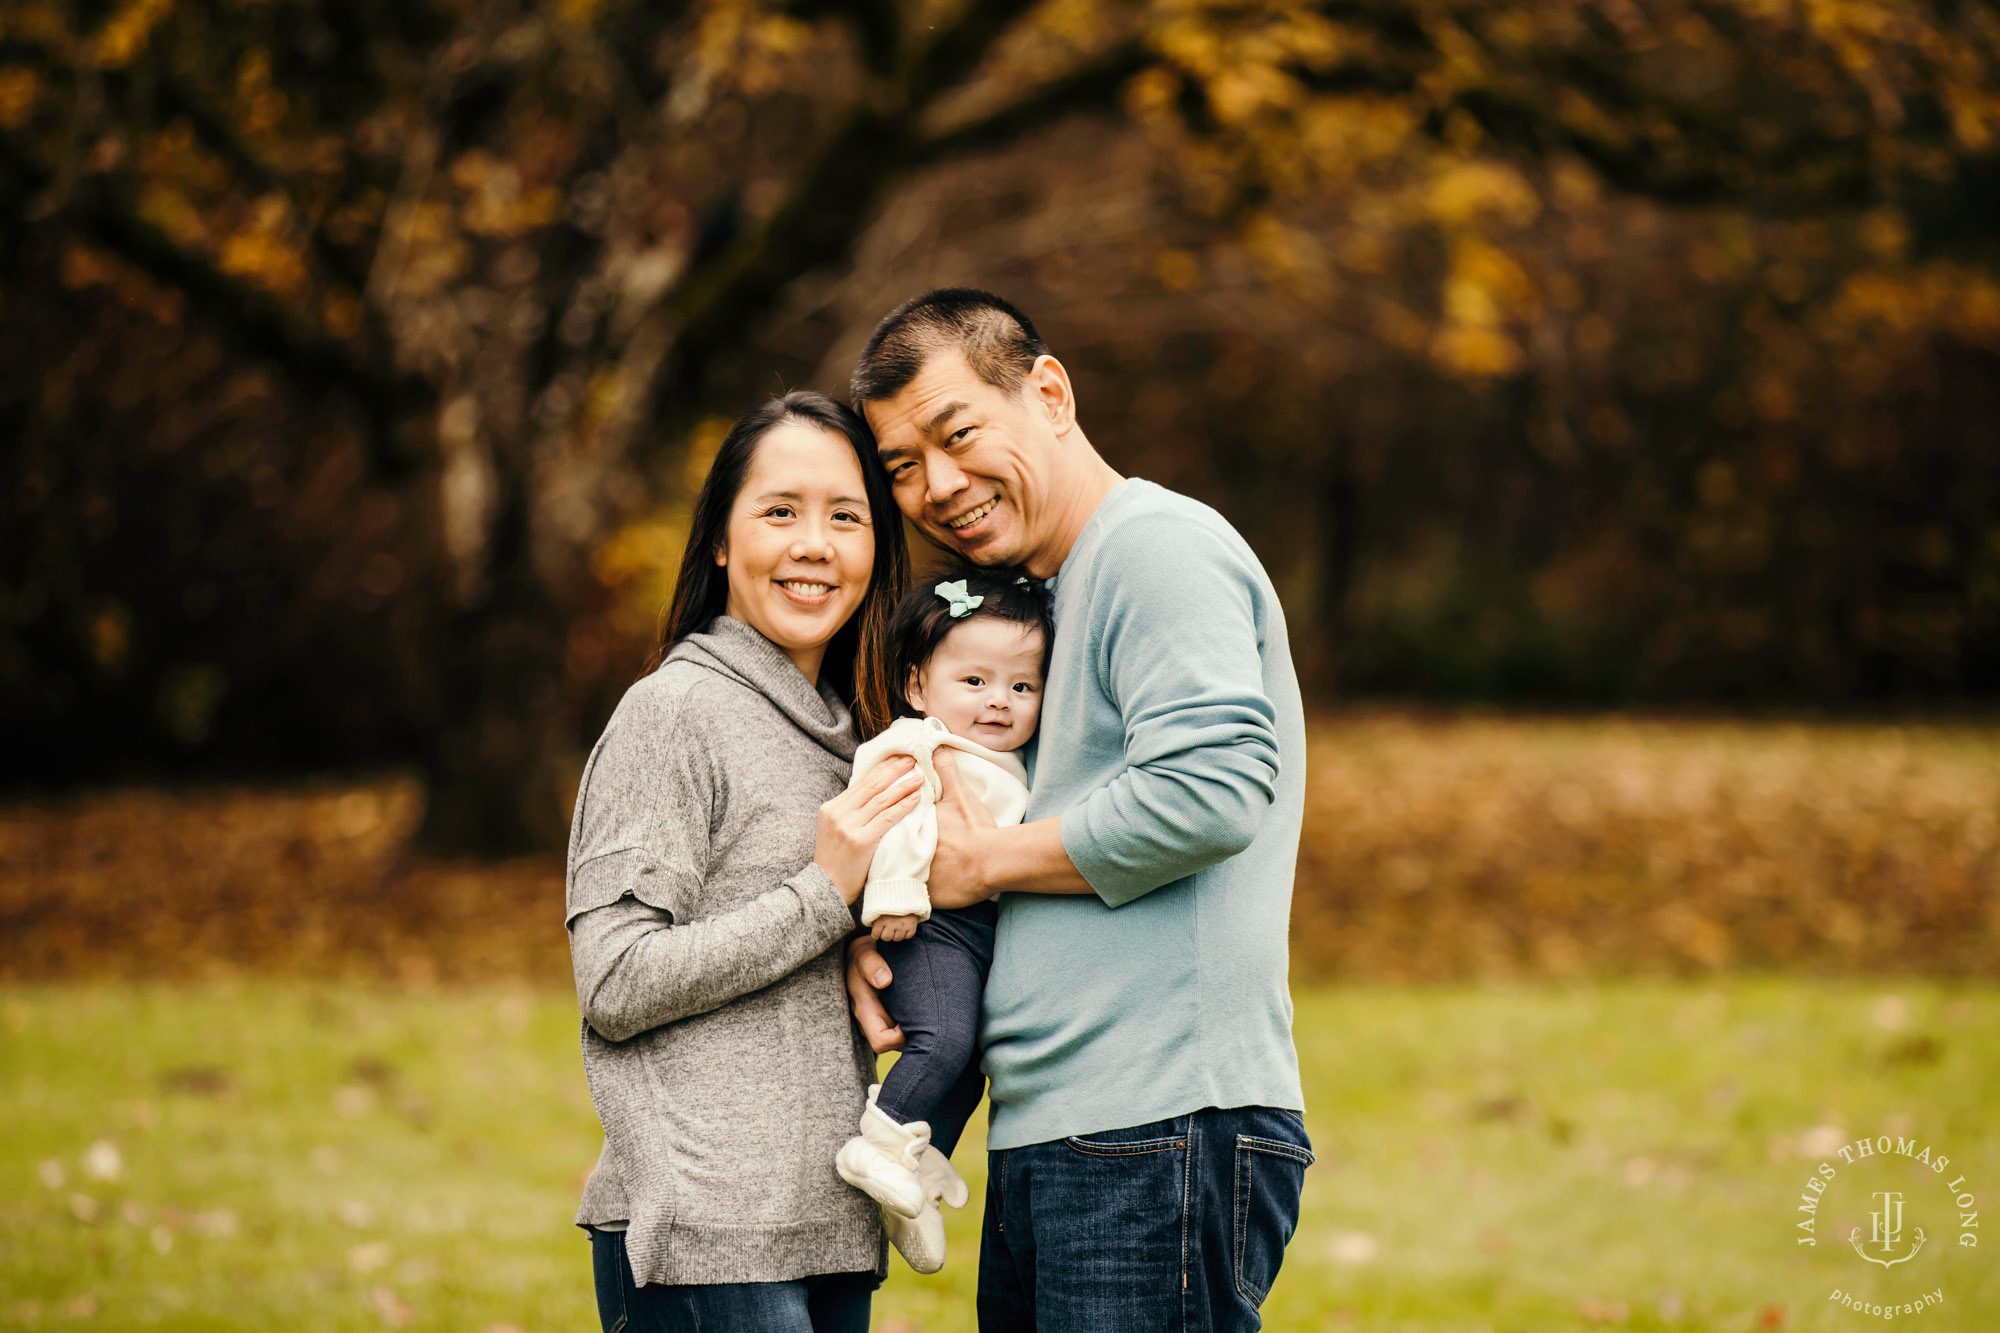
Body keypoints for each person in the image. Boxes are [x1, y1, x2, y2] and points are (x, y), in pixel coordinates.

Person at [845, 290, 1315, 1331]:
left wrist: (981, 864)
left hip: (1154, 1125)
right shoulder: (1039, 608)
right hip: (1068, 1126)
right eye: (903, 468)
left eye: (956, 434)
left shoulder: (1155, 548)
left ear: (1048, 392)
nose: (939, 485)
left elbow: (1210, 791)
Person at [565, 390, 923, 1333]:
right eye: (779, 511)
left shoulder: (859, 737)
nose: (814, 543)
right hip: (707, 1241)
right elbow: (613, 977)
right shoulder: (674, 711)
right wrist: (820, 897)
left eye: (846, 516)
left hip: (828, 1229)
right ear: (720, 541)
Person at [831, 567, 1053, 1274]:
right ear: (919, 685)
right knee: (944, 1035)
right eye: (976, 681)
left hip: (976, 928)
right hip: (924, 925)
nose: (999, 701)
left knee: (969, 1064)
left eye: (1021, 686)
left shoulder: (1005, 755)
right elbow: (893, 817)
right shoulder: (916, 742)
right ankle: (881, 1140)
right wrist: (895, 896)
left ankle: (920, 1172)